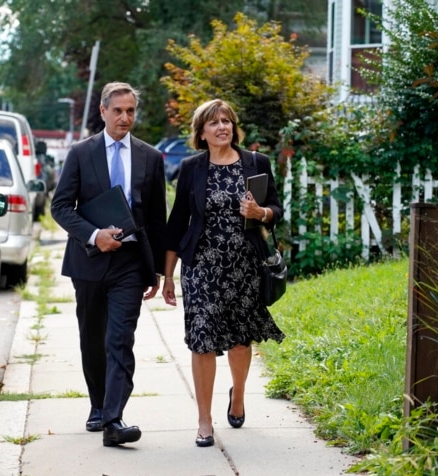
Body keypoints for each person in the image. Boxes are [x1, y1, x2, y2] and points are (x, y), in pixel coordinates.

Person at [161, 99, 285, 447]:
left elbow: (277, 209)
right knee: (202, 339)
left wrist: (260, 212)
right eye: (213, 122)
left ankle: (239, 394)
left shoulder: (255, 163)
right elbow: (176, 223)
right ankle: (204, 421)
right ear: (201, 132)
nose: (222, 127)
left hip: (245, 264)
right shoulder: (191, 168)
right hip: (201, 266)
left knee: (240, 339)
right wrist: (167, 275)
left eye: (227, 120)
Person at [50, 81, 167, 447]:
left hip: (131, 262)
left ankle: (114, 419)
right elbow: (60, 206)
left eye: (130, 110)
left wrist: (161, 271)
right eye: (117, 110)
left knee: (120, 339)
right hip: (88, 261)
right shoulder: (81, 153)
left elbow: (157, 218)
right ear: (102, 112)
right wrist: (94, 235)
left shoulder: (150, 156)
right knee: (92, 338)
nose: (125, 117)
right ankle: (98, 406)